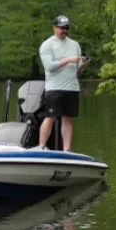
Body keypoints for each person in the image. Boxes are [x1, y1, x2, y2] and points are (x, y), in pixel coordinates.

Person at [37, 15, 87, 151]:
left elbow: (77, 70)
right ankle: (41, 146)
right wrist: (68, 59)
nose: (64, 30)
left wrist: (83, 64)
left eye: (66, 28)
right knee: (50, 117)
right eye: (61, 28)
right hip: (54, 88)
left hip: (72, 88)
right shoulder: (47, 45)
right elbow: (49, 66)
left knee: (68, 119)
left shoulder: (75, 44)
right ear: (54, 28)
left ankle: (67, 150)